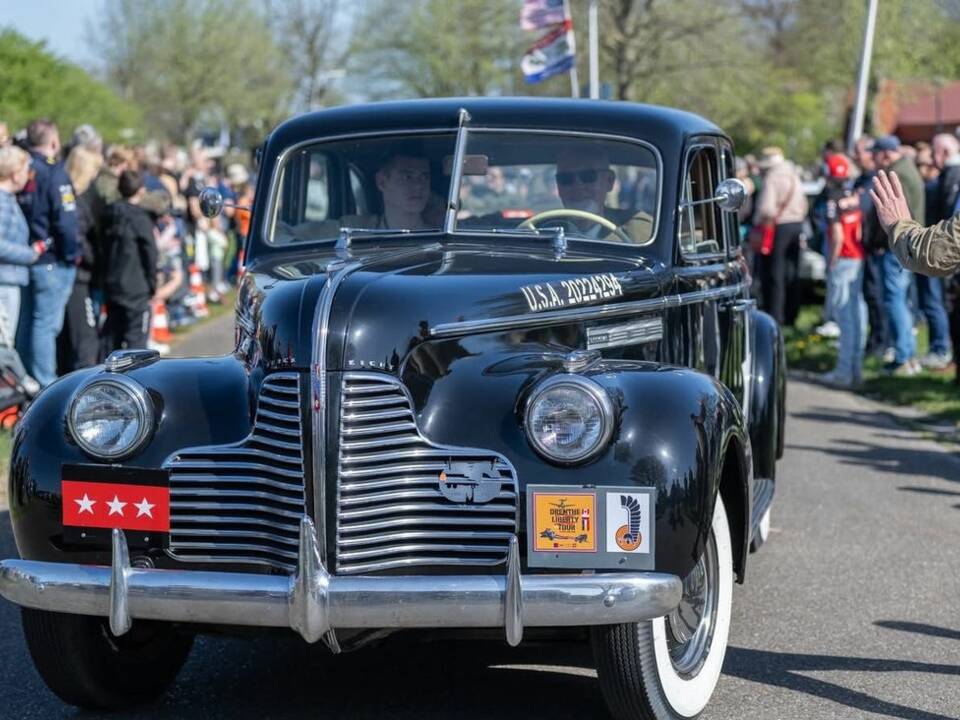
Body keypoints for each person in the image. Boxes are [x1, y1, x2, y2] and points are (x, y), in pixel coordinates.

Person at [15, 119, 79, 387]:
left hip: (26, 256)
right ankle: (45, 384)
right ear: (53, 142)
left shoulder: (20, 170)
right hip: (51, 259)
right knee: (45, 325)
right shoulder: (54, 173)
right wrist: (72, 253)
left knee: (27, 323)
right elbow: (65, 221)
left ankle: (26, 379)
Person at [871, 135, 924, 375]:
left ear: (885, 153)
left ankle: (903, 356)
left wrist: (882, 241)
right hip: (908, 243)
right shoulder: (907, 168)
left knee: (895, 300)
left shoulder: (896, 174)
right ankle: (908, 354)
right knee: (901, 300)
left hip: (899, 245)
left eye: (876, 154)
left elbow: (894, 215)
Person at [818, 154, 867, 388]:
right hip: (858, 256)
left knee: (844, 317)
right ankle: (856, 370)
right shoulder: (853, 196)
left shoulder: (831, 199)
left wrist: (832, 260)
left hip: (844, 258)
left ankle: (843, 373)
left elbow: (837, 233)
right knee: (857, 316)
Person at [101, 170, 158, 351]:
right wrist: (152, 282)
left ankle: (108, 376)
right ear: (140, 191)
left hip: (112, 284)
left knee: (112, 339)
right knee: (137, 343)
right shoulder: (139, 217)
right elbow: (150, 252)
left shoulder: (108, 213)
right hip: (135, 286)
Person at [58, 146, 103, 372]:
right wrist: (97, 259)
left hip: (76, 274)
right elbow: (78, 239)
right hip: (78, 277)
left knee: (69, 339)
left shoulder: (71, 198)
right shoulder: (74, 202)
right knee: (84, 338)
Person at [551, 147, 653, 242]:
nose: (577, 187)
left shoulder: (638, 231)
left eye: (588, 176)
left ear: (609, 181)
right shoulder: (541, 231)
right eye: (565, 179)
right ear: (558, 186)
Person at [755, 146, 808, 326]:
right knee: (792, 271)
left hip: (778, 226)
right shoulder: (793, 175)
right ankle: (791, 313)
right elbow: (803, 202)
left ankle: (775, 314)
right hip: (796, 223)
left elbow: (766, 208)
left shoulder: (772, 177)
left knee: (775, 273)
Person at [0, 145, 41, 348]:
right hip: (4, 283)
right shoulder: (3, 202)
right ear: (15, 174)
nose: (28, 176)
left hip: (8, 280)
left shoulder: (8, 199)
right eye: (25, 171)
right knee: (4, 343)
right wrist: (29, 254)